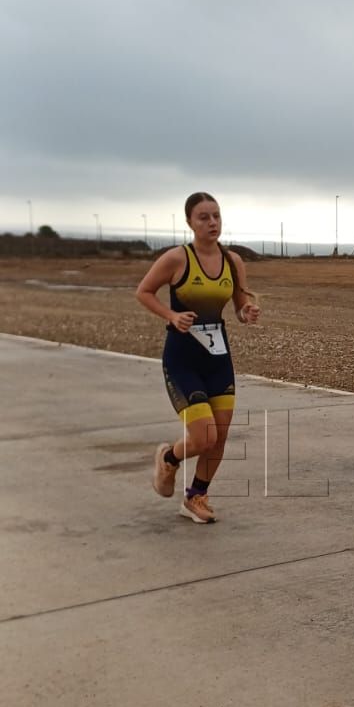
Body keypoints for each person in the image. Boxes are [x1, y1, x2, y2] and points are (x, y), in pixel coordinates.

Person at [136, 193, 260, 523]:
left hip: (218, 358)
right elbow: (144, 292)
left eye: (216, 216)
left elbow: (239, 304)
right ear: (189, 222)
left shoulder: (233, 261)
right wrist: (170, 316)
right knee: (204, 437)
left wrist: (246, 312)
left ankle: (196, 497)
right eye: (203, 217)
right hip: (182, 358)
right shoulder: (177, 259)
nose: (212, 223)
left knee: (219, 436)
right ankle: (168, 458)